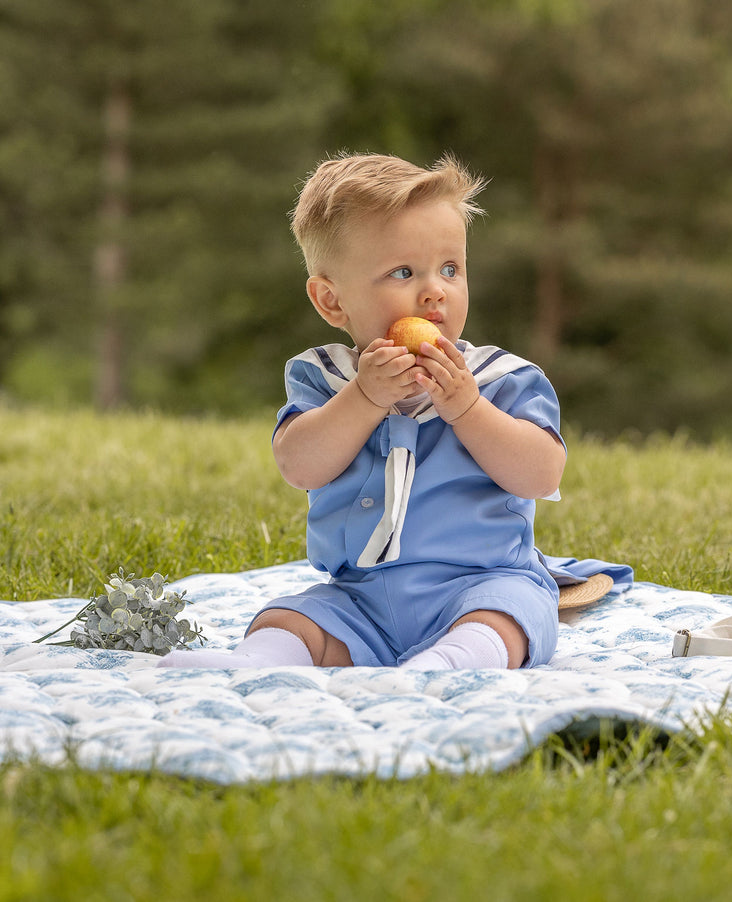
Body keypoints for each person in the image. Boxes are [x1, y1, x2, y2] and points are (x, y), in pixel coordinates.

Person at [160, 152, 566, 671]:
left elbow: (541, 473)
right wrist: (365, 399)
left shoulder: (499, 379)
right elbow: (299, 465)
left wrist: (467, 409)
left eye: (450, 269)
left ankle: (450, 665)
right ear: (331, 302)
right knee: (290, 617)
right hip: (360, 600)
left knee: (508, 619)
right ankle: (256, 663)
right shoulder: (325, 380)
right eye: (403, 272)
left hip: (484, 583)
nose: (434, 290)